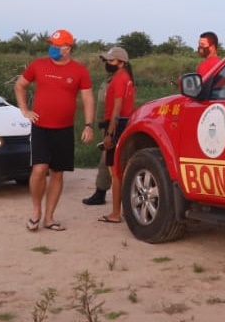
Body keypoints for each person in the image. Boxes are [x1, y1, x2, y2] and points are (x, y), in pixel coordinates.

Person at [15, 29, 95, 231]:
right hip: (41, 127)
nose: (53, 48)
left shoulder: (79, 71)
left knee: (57, 173)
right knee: (39, 169)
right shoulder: (38, 65)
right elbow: (20, 85)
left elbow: (87, 98)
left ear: (68, 48)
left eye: (57, 46)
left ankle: (49, 218)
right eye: (51, 44)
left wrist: (88, 125)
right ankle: (36, 211)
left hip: (64, 129)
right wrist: (25, 110)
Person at [97, 46, 136, 224]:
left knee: (115, 172)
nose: (107, 63)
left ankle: (115, 213)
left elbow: (117, 108)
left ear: (121, 63)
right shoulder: (125, 78)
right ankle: (121, 210)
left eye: (111, 60)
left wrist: (110, 133)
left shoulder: (119, 79)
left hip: (117, 124)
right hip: (123, 123)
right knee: (119, 170)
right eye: (107, 60)